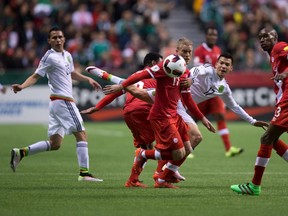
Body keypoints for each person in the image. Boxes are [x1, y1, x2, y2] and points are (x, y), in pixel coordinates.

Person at [103, 50, 216, 188]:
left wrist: (203, 119)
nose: (171, 74)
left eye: (189, 51)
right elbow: (141, 74)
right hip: (162, 116)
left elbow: (187, 99)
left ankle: (164, 177)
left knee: (188, 148)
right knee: (177, 153)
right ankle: (144, 155)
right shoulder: (162, 68)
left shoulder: (185, 73)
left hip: (175, 115)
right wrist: (121, 86)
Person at [10, 27, 103, 182]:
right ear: (49, 41)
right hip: (63, 101)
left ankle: (21, 153)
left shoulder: (67, 55)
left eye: (60, 37)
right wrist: (21, 86)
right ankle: (84, 173)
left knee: (55, 144)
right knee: (81, 134)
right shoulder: (49, 57)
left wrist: (87, 79)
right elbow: (35, 76)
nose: (58, 40)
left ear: (64, 38)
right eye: (54, 38)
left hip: (56, 104)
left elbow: (71, 73)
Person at [82, 52, 165, 187]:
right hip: (144, 110)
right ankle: (162, 177)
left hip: (128, 113)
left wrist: (97, 107)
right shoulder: (157, 76)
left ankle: (133, 180)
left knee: (145, 146)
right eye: (160, 63)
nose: (162, 66)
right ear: (153, 64)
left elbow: (116, 92)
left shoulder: (133, 77)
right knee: (166, 143)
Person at [230, 27, 288, 195]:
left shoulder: (279, 48)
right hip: (283, 102)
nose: (262, 40)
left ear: (275, 37)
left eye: (266, 36)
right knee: (273, 139)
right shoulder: (272, 56)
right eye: (260, 37)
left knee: (267, 137)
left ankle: (255, 186)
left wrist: (285, 74)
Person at [193, 26, 243, 157]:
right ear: (206, 36)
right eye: (210, 35)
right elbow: (198, 67)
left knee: (220, 116)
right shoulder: (200, 50)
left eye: (215, 35)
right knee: (194, 117)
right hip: (203, 90)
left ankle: (228, 148)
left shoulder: (217, 50)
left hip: (214, 92)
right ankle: (186, 146)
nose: (213, 38)